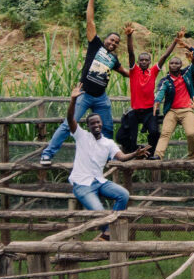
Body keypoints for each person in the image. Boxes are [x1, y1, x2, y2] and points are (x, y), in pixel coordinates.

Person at [42, 0, 129, 166]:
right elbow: (90, 20)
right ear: (105, 40)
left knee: (108, 128)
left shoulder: (113, 59)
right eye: (111, 39)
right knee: (68, 125)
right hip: (84, 95)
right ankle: (47, 154)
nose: (113, 43)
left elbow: (127, 73)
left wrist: (147, 74)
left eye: (116, 42)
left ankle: (105, 155)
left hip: (101, 98)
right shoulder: (95, 45)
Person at [64, 85, 149, 239]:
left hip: (99, 181)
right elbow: (70, 119)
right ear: (88, 126)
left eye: (98, 122)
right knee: (99, 211)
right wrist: (73, 100)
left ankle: (109, 229)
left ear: (101, 124)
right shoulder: (81, 136)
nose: (96, 125)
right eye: (93, 123)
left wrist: (136, 154)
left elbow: (121, 157)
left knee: (123, 194)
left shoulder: (108, 143)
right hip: (82, 184)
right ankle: (108, 232)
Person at [115, 24, 178, 155]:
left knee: (154, 132)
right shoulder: (134, 71)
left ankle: (149, 152)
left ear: (149, 62)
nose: (143, 61)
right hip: (135, 110)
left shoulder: (153, 71)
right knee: (131, 136)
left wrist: (175, 42)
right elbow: (131, 53)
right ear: (138, 62)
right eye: (141, 60)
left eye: (146, 60)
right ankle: (134, 153)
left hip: (150, 110)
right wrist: (129, 36)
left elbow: (165, 56)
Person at [153, 38, 194, 159]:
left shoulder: (187, 73)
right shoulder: (165, 80)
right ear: (168, 65)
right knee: (165, 133)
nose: (174, 65)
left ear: (181, 65)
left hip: (187, 110)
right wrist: (157, 101)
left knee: (191, 133)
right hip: (172, 111)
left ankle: (192, 156)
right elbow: (160, 92)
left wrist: (188, 46)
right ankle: (158, 156)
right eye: (172, 63)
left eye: (177, 63)